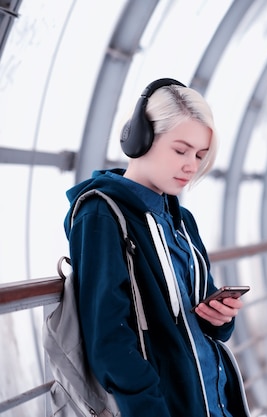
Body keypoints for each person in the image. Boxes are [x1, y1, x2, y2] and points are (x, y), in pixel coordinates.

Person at [64, 78, 250, 416]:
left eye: (199, 155)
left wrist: (220, 318)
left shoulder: (182, 220)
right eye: (180, 150)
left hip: (216, 398)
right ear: (141, 139)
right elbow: (108, 338)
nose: (191, 166)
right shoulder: (102, 215)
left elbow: (202, 318)